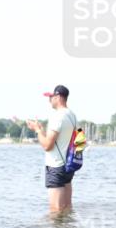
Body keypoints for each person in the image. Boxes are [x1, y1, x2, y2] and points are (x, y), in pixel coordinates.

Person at [26, 85, 78, 213]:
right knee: (67, 209)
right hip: (69, 165)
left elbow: (47, 146)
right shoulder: (72, 115)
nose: (49, 100)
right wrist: (42, 130)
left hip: (56, 166)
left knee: (56, 211)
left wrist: (37, 130)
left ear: (58, 97)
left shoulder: (57, 116)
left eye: (51, 97)